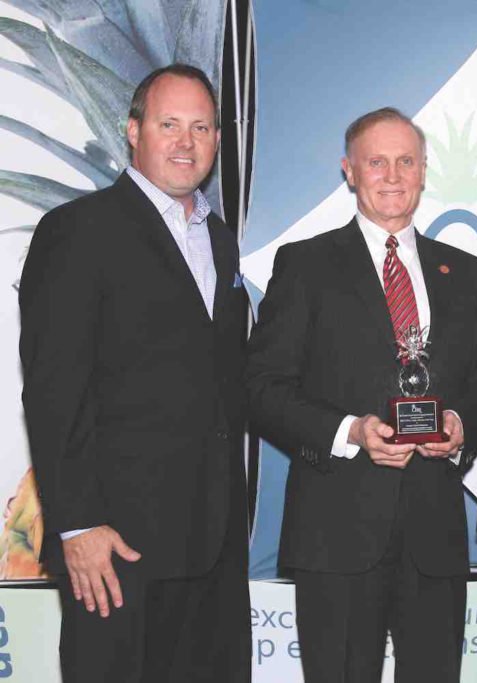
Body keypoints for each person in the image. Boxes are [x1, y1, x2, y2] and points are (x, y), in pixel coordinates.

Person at [245, 107, 477, 682]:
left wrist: (463, 425)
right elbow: (261, 388)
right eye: (377, 162)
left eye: (406, 161)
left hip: (434, 538)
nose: (392, 175)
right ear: (349, 171)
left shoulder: (468, 274)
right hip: (336, 535)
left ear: (423, 171)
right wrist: (350, 432)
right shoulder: (305, 265)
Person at [19, 64, 251, 683]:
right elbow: (52, 389)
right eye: (168, 124)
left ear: (217, 142)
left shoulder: (220, 239)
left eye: (201, 126)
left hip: (212, 544)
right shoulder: (77, 231)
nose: (185, 141)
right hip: (115, 545)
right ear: (132, 131)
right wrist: (78, 522)